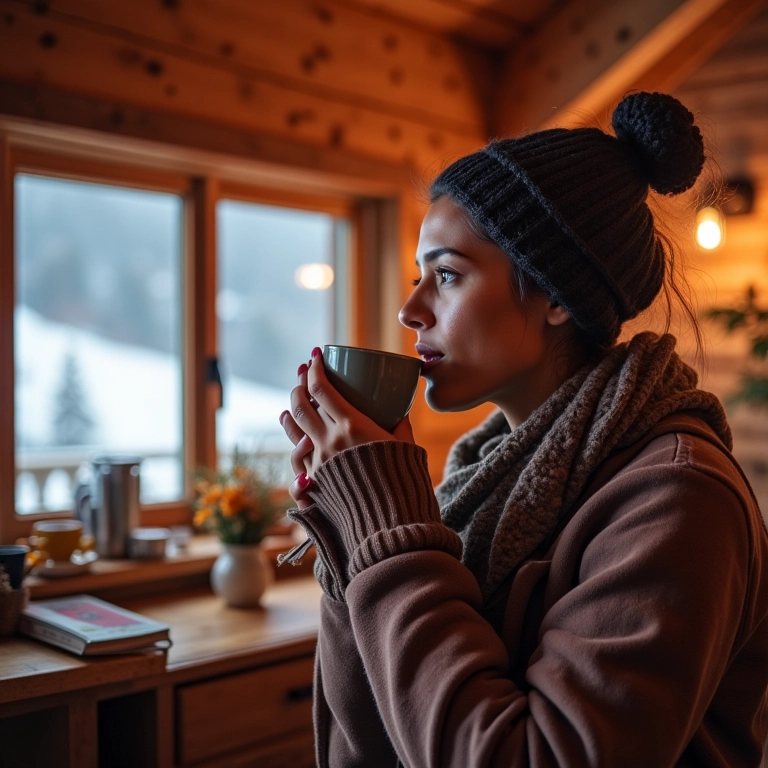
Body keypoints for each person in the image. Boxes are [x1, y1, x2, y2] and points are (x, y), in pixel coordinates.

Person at [278, 91, 768, 767]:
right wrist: (351, 533)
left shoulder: (677, 500)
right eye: (421, 275)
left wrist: (387, 535)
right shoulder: (480, 480)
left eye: (447, 275)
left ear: (557, 298)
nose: (410, 309)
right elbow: (371, 743)